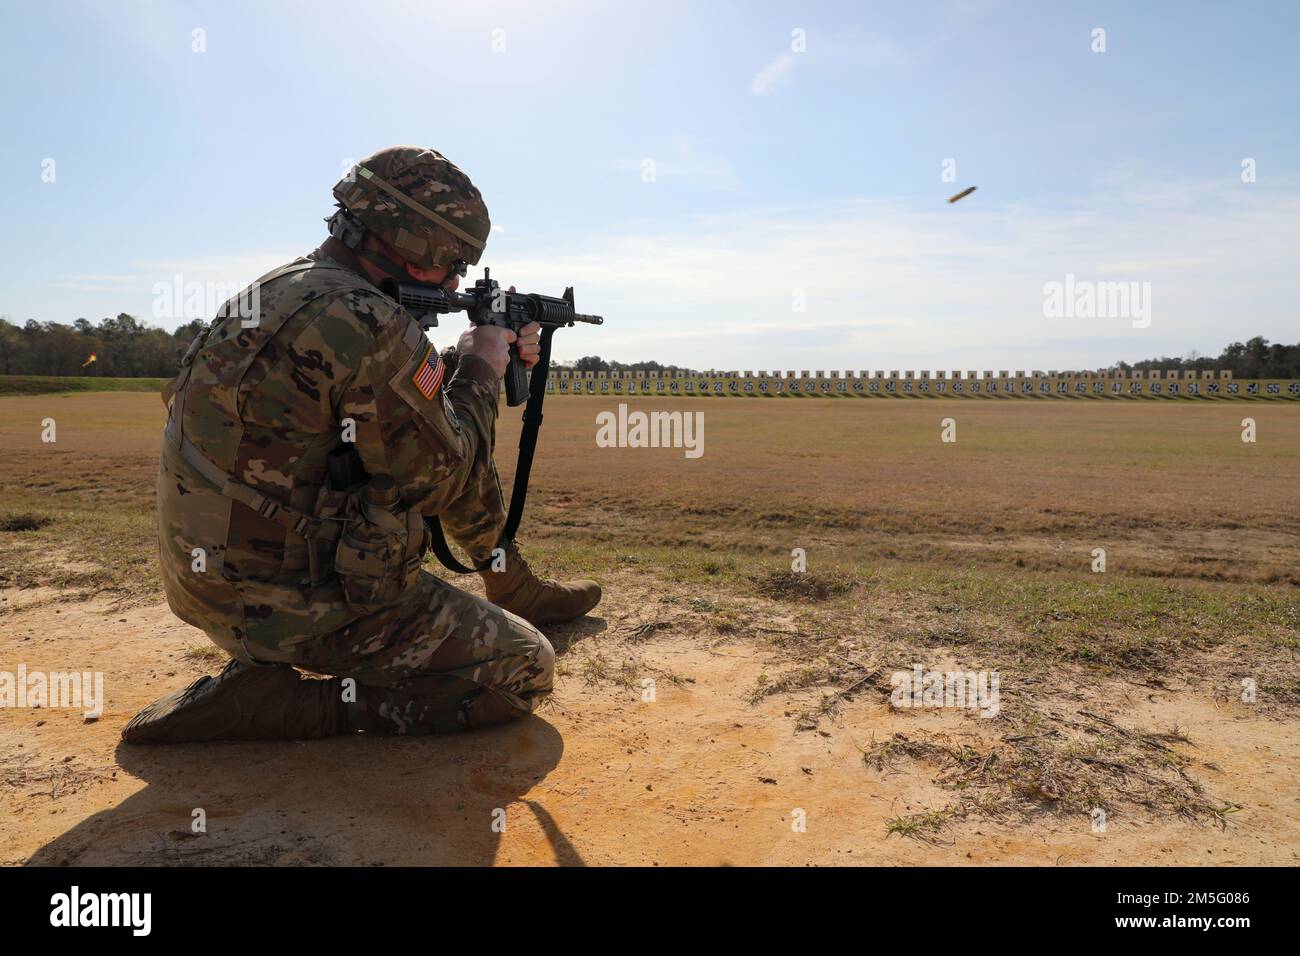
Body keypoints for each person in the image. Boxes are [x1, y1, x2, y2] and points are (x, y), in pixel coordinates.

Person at [123, 145, 600, 743]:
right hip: (290, 603)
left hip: (203, 584)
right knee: (523, 668)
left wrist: (461, 361)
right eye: (450, 263)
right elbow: (443, 476)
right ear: (410, 242)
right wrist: (481, 366)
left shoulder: (281, 287)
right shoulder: (369, 320)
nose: (455, 282)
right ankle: (289, 707)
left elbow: (385, 411)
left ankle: (509, 577)